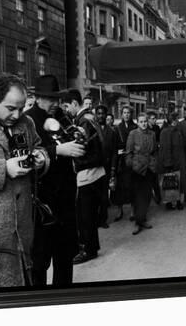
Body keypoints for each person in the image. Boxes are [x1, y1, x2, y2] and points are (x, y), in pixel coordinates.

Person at [0, 74, 50, 289]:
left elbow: (39, 147)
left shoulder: (27, 123)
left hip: (22, 234)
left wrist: (41, 159)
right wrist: (3, 169)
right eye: (10, 108)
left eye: (21, 108)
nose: (17, 115)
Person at [23, 75, 86, 287]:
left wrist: (78, 136)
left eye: (57, 99)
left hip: (65, 202)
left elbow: (73, 139)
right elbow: (25, 157)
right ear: (38, 97)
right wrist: (57, 150)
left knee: (65, 258)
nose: (56, 104)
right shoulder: (27, 120)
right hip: (43, 204)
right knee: (39, 263)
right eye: (51, 99)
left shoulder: (60, 116)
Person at [61, 89, 106, 264]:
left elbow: (82, 152)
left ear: (74, 103)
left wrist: (70, 159)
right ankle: (92, 246)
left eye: (67, 106)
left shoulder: (81, 122)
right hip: (97, 174)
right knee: (90, 215)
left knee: (84, 215)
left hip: (87, 175)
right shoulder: (89, 118)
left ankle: (88, 250)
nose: (66, 110)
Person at [125, 113, 157, 235]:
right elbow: (128, 152)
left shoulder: (152, 134)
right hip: (137, 169)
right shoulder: (133, 134)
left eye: (145, 121)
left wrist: (154, 163)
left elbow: (154, 151)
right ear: (137, 123)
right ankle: (138, 223)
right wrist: (132, 165)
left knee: (147, 195)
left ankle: (143, 219)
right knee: (138, 197)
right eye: (141, 122)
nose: (144, 124)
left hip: (149, 168)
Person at [157, 112, 186, 210]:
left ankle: (178, 201)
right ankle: (169, 202)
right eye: (176, 119)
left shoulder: (176, 130)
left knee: (179, 182)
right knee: (170, 182)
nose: (178, 121)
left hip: (179, 160)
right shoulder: (166, 132)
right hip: (172, 161)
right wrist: (168, 163)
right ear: (173, 121)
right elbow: (166, 148)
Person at [112, 105, 137, 221]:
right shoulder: (117, 128)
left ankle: (133, 211)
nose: (126, 115)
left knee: (132, 185)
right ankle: (119, 210)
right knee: (119, 187)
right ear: (121, 114)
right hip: (121, 161)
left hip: (131, 159)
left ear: (131, 114)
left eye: (128, 113)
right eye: (124, 113)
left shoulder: (135, 127)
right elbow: (114, 145)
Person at [95, 104, 118, 229]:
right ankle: (94, 218)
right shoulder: (92, 129)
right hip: (94, 166)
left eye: (102, 113)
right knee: (95, 195)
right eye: (98, 113)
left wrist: (113, 169)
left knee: (104, 195)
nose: (100, 116)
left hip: (107, 167)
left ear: (106, 115)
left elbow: (114, 152)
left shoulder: (112, 131)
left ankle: (103, 219)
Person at [147, 111, 162, 204]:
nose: (155, 120)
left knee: (155, 177)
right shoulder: (146, 128)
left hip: (156, 154)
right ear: (148, 119)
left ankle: (158, 195)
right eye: (152, 118)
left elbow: (159, 139)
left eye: (155, 118)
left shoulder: (157, 128)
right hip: (147, 155)